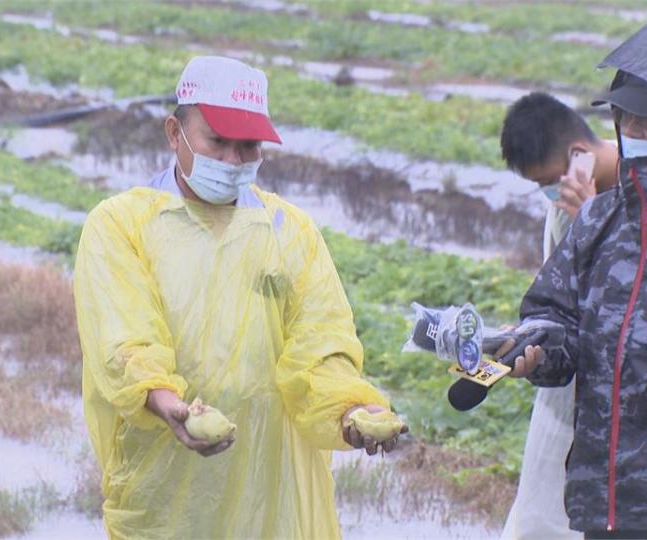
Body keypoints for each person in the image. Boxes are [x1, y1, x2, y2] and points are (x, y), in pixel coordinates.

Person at [73, 56, 405, 540]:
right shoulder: (123, 225)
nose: (232, 161)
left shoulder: (288, 231)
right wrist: (172, 408)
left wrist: (352, 412)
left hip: (273, 481)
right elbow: (124, 343)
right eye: (218, 141)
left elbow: (321, 346)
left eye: (247, 146)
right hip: (166, 484)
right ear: (174, 133)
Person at [503, 71, 647, 539]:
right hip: (606, 502)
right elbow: (554, 313)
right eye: (625, 116)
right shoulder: (598, 220)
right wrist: (535, 348)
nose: (633, 132)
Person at [498, 92, 619, 540]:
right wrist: (533, 334)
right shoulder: (563, 209)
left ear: (579, 155)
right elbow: (564, 302)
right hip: (568, 398)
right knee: (541, 521)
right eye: (539, 185)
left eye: (550, 180)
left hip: (630, 408)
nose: (549, 192)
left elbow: (631, 304)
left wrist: (591, 220)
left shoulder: (643, 191)